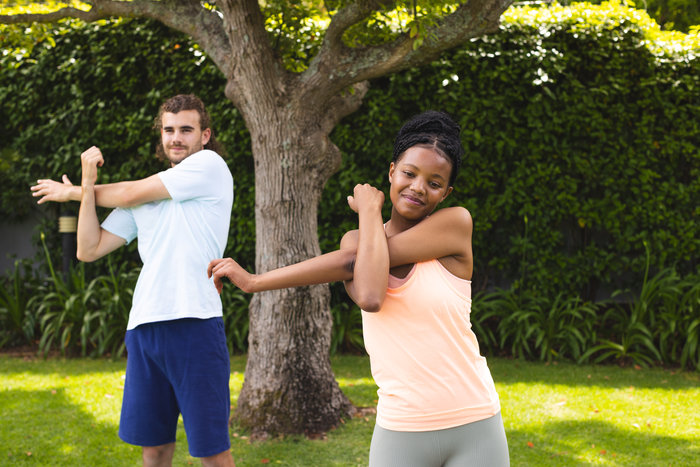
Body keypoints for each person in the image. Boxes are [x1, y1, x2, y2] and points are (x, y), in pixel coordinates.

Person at [208, 110, 509, 466]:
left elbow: (362, 280)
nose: (417, 187)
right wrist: (253, 282)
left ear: (446, 192)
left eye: (434, 182)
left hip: (474, 421)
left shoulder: (455, 224)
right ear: (392, 171)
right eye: (409, 173)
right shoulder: (355, 243)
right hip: (401, 427)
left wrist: (368, 209)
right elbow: (371, 294)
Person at [31, 94, 236, 467]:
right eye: (169, 129)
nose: (176, 138)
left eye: (186, 130)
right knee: (154, 449)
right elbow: (88, 249)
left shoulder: (210, 166)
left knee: (212, 451)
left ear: (204, 135)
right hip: (144, 328)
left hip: (195, 324)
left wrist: (74, 191)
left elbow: (125, 192)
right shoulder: (144, 198)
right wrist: (89, 185)